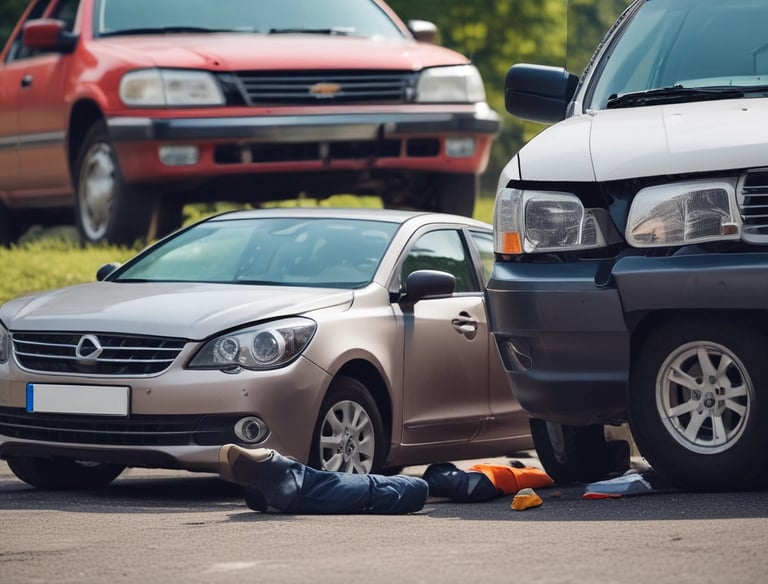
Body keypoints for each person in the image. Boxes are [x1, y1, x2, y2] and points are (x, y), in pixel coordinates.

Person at [218, 444, 554, 514]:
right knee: (407, 487)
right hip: (447, 481)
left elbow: (532, 478)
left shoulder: (529, 473)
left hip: (448, 485)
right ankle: (290, 485)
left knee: (414, 488)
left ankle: (293, 480)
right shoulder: (521, 469)